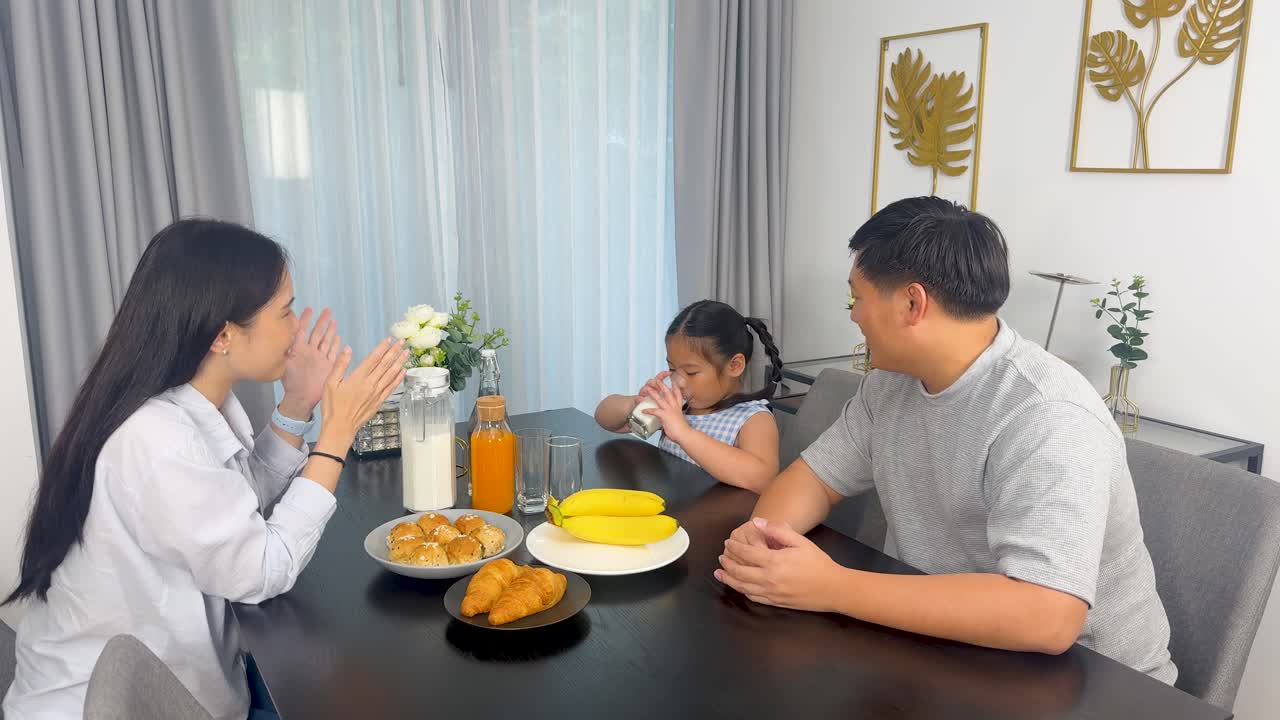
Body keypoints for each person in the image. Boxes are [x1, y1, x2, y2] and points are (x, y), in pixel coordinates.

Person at [716, 197, 1176, 683]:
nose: (854, 315)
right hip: (947, 646)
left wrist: (831, 586)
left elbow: (1048, 616)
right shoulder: (890, 383)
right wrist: (765, 538)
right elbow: (813, 479)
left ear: (912, 303)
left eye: (859, 298)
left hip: (1092, 682)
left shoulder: (1047, 415)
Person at [3, 219, 408, 719]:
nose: (295, 329)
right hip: (121, 705)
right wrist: (337, 433)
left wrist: (300, 404)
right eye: (284, 312)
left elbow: (234, 503)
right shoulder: (155, 439)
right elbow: (263, 568)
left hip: (183, 679)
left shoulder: (175, 408)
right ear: (223, 335)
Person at [594, 300, 783, 493]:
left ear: (734, 366)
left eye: (691, 372)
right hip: (677, 510)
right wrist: (635, 404)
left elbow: (762, 478)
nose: (679, 381)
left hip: (721, 519)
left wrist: (684, 434)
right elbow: (604, 417)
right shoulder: (680, 408)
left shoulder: (753, 418)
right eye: (672, 369)